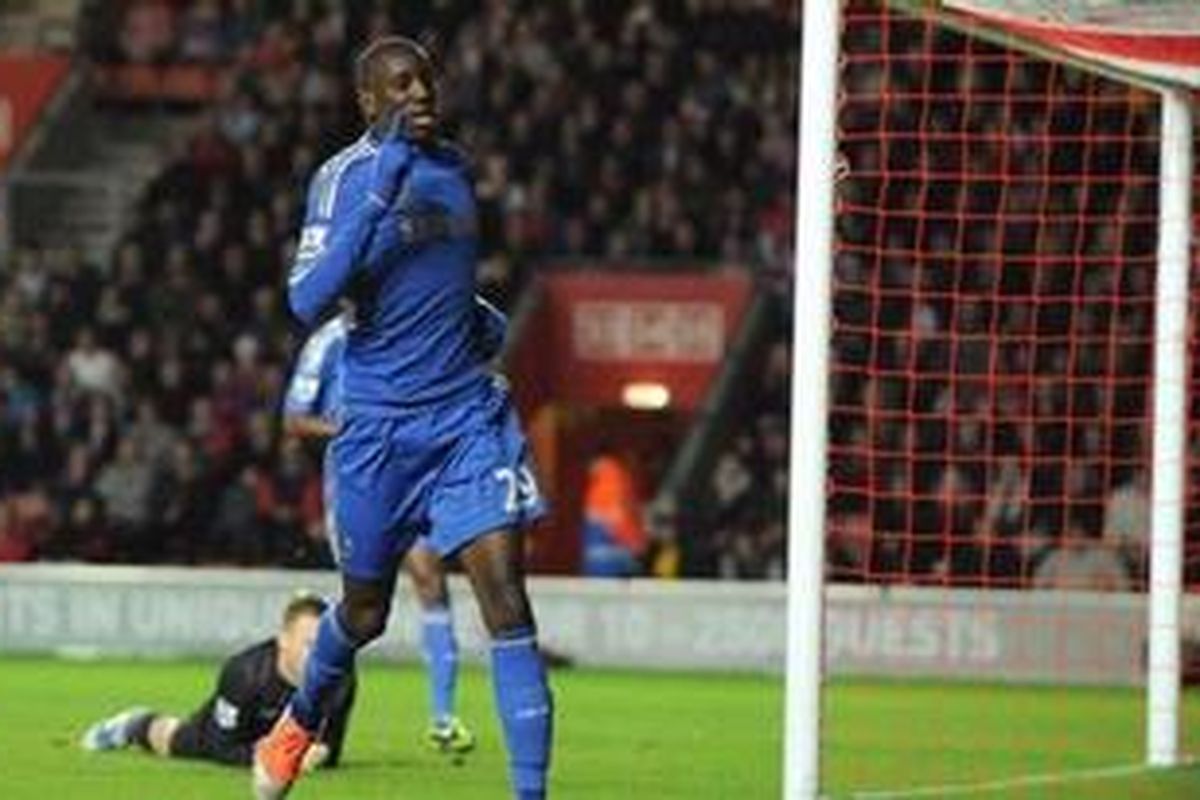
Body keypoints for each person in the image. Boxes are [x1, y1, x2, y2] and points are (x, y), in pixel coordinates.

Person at [254, 36, 552, 800]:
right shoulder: (344, 178)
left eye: (426, 80)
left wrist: (477, 320)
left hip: (464, 419)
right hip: (378, 431)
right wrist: (382, 192)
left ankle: (529, 792)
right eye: (399, 85)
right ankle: (298, 722)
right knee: (363, 611)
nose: (419, 93)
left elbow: (444, 280)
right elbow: (306, 299)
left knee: (507, 601)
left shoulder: (455, 170)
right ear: (368, 101)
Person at [279, 295, 507, 754]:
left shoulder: (411, 330)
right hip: (357, 484)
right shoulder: (327, 344)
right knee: (361, 609)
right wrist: (355, 427)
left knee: (429, 577)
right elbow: (295, 420)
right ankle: (304, 714)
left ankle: (443, 718)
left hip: (414, 479)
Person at [81, 593, 355, 770]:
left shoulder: (341, 679)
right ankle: (134, 725)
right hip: (231, 734)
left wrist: (319, 755)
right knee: (177, 742)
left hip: (280, 740)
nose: (318, 656)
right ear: (283, 639)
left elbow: (329, 747)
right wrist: (277, 757)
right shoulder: (245, 673)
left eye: (324, 646)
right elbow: (221, 747)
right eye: (309, 644)